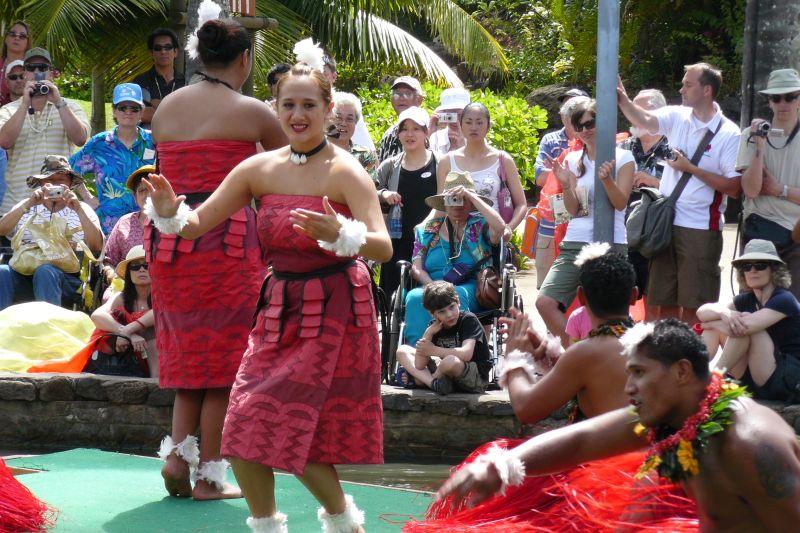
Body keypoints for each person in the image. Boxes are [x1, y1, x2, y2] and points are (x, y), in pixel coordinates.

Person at [145, 52, 392, 533]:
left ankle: (344, 524)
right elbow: (195, 226)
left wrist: (342, 231)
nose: (298, 116)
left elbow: (381, 246)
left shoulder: (346, 172)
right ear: (274, 108)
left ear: (328, 110)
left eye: (308, 106)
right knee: (242, 427)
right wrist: (168, 211)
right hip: (279, 308)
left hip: (334, 310)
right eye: (288, 106)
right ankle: (275, 527)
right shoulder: (257, 168)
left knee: (298, 433)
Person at [431, 318, 800, 531]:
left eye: (639, 374)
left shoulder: (751, 447)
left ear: (682, 372)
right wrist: (501, 465)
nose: (628, 388)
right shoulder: (679, 415)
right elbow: (581, 443)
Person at [145, 14, 285, 501]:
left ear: (198, 56)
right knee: (225, 366)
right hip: (226, 240)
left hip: (169, 239)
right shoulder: (254, 113)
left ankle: (175, 460)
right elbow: (293, 168)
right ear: (244, 59)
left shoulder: (164, 109)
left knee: (189, 361)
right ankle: (208, 476)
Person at [409, 245, 641, 531]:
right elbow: (585, 378)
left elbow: (527, 409)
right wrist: (547, 353)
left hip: (599, 480)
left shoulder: (585, 353)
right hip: (641, 475)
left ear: (580, 297)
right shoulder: (647, 343)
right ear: (634, 295)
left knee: (497, 466)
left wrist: (515, 358)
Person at [618, 63, 741, 324]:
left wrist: (690, 168)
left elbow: (734, 187)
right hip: (665, 223)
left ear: (707, 90)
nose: (681, 89)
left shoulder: (729, 133)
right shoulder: (677, 115)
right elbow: (645, 120)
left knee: (696, 306)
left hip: (699, 227)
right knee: (662, 301)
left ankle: (690, 358)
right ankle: (664, 359)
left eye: (688, 84)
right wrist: (624, 101)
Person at [535, 98, 635, 344]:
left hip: (611, 242)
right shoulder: (572, 160)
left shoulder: (623, 158)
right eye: (578, 126)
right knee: (545, 302)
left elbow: (620, 203)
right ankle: (581, 351)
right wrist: (567, 185)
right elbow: (572, 210)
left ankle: (601, 358)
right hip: (575, 241)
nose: (585, 130)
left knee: (608, 311)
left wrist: (607, 180)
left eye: (590, 123)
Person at [404, 172, 505, 346]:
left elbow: (501, 227)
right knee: (414, 296)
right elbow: (416, 268)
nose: (458, 204)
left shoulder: (480, 225)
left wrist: (472, 196)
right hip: (432, 285)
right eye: (453, 198)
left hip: (472, 287)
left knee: (455, 296)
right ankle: (417, 354)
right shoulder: (427, 230)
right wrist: (432, 286)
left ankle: (458, 352)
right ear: (444, 202)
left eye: (463, 199)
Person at [29, 245, 158, 378]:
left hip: (156, 350)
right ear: (129, 273)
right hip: (128, 351)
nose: (141, 269)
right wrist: (127, 334)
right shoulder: (121, 297)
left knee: (153, 338)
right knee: (106, 334)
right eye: (135, 266)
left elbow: (159, 312)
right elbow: (97, 315)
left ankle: (157, 383)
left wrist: (129, 330)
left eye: (146, 265)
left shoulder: (162, 297)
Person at [698, 239, 800, 403]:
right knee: (717, 326)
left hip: (785, 379)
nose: (752, 271)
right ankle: (696, 373)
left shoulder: (784, 299)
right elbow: (702, 312)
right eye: (746, 267)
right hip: (755, 376)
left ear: (773, 270)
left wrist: (714, 321)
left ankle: (713, 379)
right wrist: (724, 313)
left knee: (746, 329)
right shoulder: (746, 299)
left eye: (760, 265)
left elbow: (746, 327)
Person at [0, 155, 102, 310]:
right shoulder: (27, 205)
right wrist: (29, 203)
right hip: (23, 272)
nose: (55, 185)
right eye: (49, 180)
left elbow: (96, 246)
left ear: (70, 184)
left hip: (66, 279)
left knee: (45, 271)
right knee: (2, 272)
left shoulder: (82, 209)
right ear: (41, 183)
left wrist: (78, 209)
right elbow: (2, 230)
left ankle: (48, 328)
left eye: (61, 180)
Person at [0, 47, 90, 218]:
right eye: (31, 68)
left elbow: (80, 139)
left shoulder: (70, 107)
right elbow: (4, 141)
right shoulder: (9, 110)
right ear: (25, 73)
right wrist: (24, 104)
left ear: (51, 73)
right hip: (17, 205)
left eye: (42, 68)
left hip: (58, 205)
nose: (37, 72)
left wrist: (58, 101)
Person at [737, 68, 800, 299]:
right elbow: (751, 189)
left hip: (796, 236)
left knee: (792, 309)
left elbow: (766, 189)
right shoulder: (751, 135)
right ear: (769, 101)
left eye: (790, 96)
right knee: (751, 305)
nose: (783, 103)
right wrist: (759, 147)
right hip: (759, 234)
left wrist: (779, 190)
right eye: (776, 97)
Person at [69, 83, 155, 233]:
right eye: (122, 107)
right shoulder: (99, 143)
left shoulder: (153, 141)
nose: (128, 112)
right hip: (109, 227)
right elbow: (69, 170)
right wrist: (87, 197)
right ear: (114, 111)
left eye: (134, 108)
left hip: (148, 224)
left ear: (141, 113)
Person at [375, 106, 439, 298]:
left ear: (426, 132)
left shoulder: (440, 162)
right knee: (392, 293)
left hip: (430, 239)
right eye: (404, 129)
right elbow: (370, 190)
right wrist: (384, 194)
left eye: (416, 129)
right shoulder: (389, 165)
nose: (409, 134)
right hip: (397, 238)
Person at [619, 88, 670, 319]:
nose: (634, 115)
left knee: (657, 299)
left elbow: (687, 190)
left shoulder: (674, 147)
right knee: (620, 296)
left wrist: (654, 183)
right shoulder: (623, 148)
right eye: (632, 110)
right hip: (625, 231)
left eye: (641, 109)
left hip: (659, 232)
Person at [437, 102, 527, 232]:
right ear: (461, 125)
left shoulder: (503, 159)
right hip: (455, 236)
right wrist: (424, 228)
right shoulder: (447, 161)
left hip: (491, 236)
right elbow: (440, 205)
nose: (474, 127)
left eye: (479, 122)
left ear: (488, 126)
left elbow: (521, 204)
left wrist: (508, 230)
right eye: (468, 122)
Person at [396, 281, 492, 395]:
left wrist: (433, 351)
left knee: (450, 361)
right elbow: (419, 365)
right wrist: (428, 333)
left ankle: (423, 381)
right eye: (442, 312)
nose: (449, 314)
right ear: (433, 314)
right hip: (445, 373)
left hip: (474, 375)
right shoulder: (434, 326)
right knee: (402, 350)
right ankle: (434, 383)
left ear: (458, 302)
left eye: (452, 307)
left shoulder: (468, 319)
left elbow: (466, 354)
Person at [531, 95, 587, 288]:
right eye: (574, 118)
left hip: (583, 227)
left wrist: (560, 174)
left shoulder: (596, 144)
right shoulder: (551, 140)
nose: (580, 125)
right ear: (564, 119)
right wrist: (567, 176)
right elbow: (539, 178)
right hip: (551, 223)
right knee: (547, 288)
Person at [102, 165, 153, 289]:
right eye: (142, 190)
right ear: (135, 197)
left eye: (152, 189)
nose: (148, 195)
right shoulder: (124, 223)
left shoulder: (172, 221)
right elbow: (108, 261)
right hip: (127, 287)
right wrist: (113, 277)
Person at [321, 52, 375, 152]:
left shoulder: (347, 104)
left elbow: (368, 151)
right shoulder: (300, 105)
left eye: (323, 74)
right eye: (315, 74)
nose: (318, 79)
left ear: (334, 76)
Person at [132, 28, 185, 129]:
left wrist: (158, 106)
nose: (163, 51)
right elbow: (141, 114)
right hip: (149, 141)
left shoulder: (185, 82)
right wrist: (176, 113)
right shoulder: (140, 81)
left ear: (175, 52)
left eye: (168, 47)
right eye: (157, 48)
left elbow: (190, 116)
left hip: (179, 140)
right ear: (151, 53)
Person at [378, 76, 425, 163]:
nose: (401, 98)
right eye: (397, 93)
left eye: (408, 93)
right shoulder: (388, 135)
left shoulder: (430, 131)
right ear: (391, 100)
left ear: (420, 100)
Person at [329, 92, 377, 174]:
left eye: (349, 119)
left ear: (356, 123)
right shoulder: (315, 150)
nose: (343, 123)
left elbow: (370, 185)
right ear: (329, 118)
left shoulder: (365, 155)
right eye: (338, 117)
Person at [428, 88, 470, 156]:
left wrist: (461, 146)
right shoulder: (435, 137)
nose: (456, 119)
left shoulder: (476, 137)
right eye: (451, 115)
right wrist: (431, 128)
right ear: (443, 113)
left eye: (460, 114)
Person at [0, 21, 31, 107]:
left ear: (27, 43)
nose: (17, 38)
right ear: (6, 39)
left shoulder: (34, 67)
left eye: (22, 36)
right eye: (12, 34)